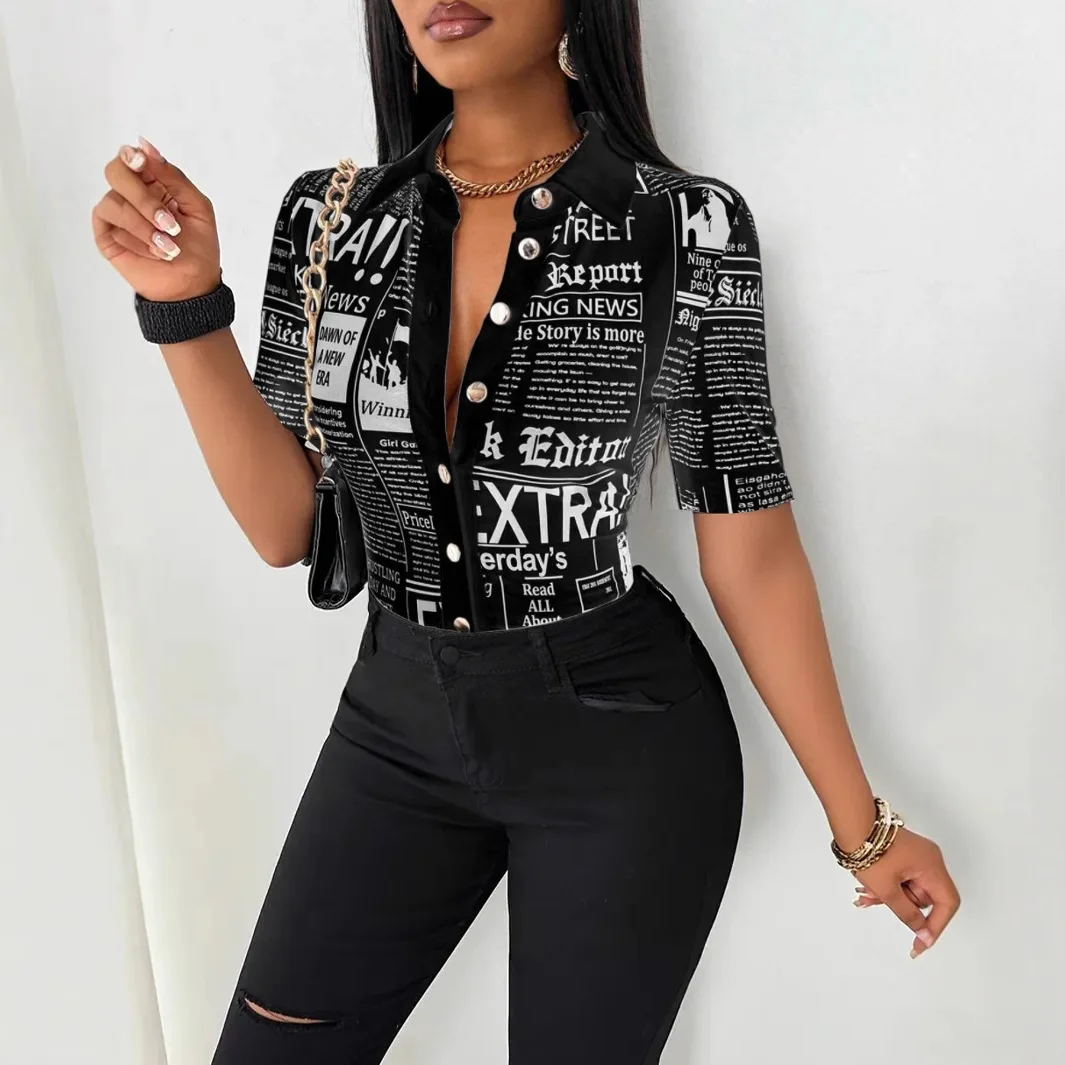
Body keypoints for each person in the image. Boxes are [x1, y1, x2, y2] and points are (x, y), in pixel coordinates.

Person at [91, 1, 961, 1061]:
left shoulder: (685, 227)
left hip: (623, 745)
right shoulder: (332, 223)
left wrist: (863, 827)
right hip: (395, 725)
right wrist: (185, 305)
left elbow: (752, 549)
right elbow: (287, 529)